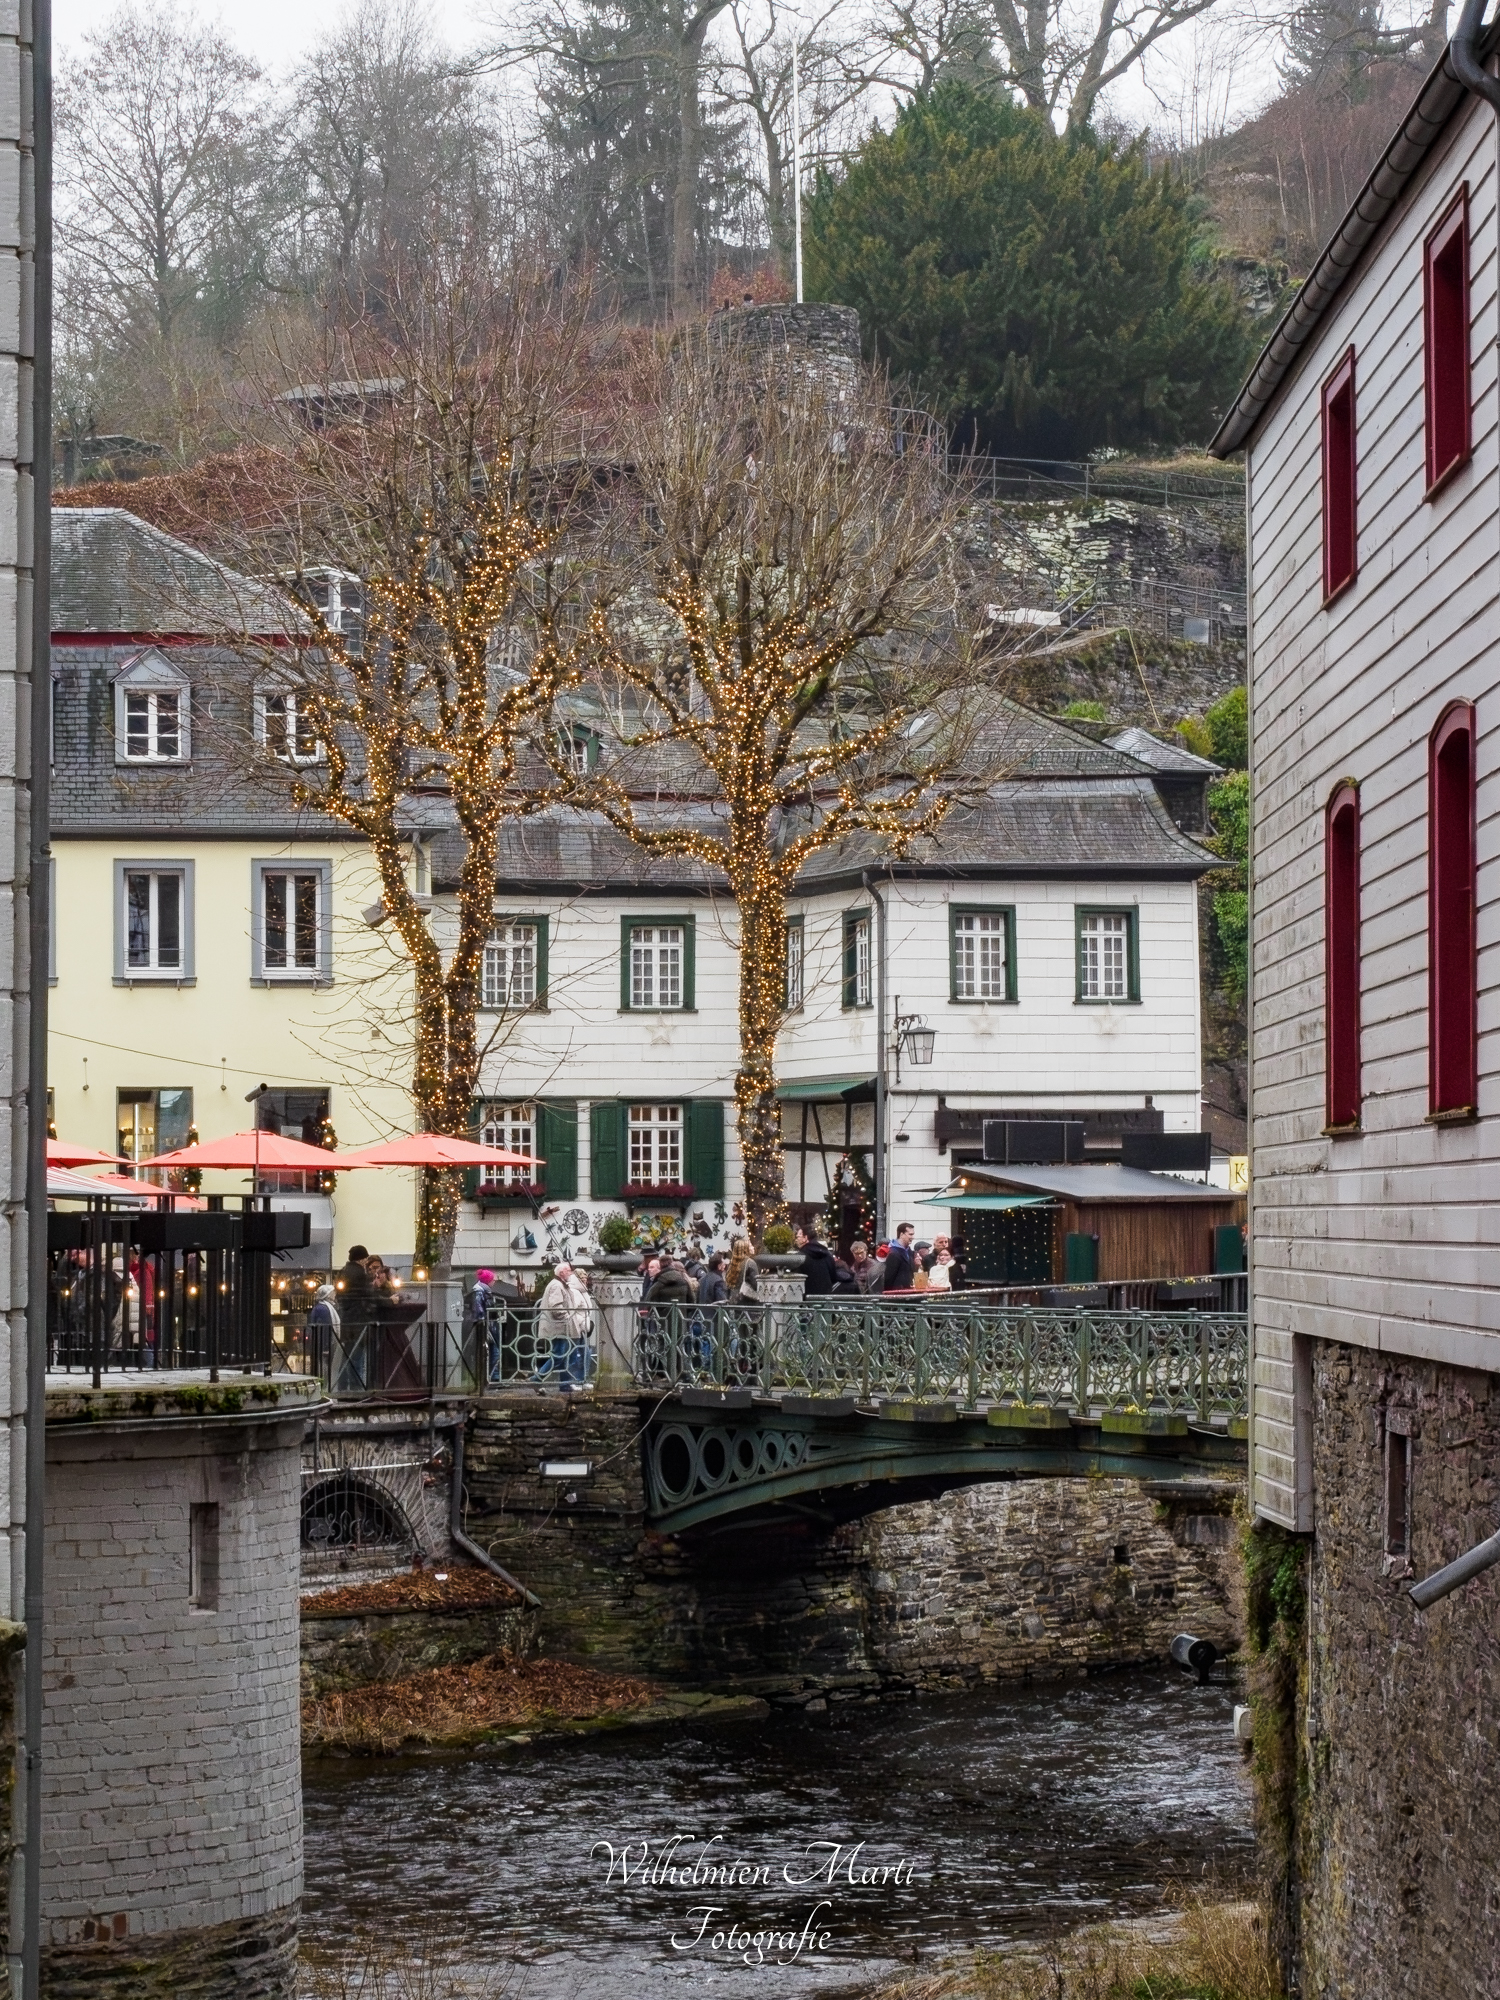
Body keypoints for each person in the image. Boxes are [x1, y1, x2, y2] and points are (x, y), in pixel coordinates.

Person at [537, 1261, 594, 1384]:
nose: (571, 1273)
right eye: (568, 1271)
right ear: (561, 1272)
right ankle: (537, 1378)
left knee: (564, 1356)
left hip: (562, 1327)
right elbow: (556, 1307)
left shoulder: (561, 1285)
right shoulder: (557, 1285)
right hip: (559, 1327)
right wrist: (568, 1318)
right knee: (560, 1356)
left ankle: (565, 1385)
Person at [795, 1224, 840, 1296]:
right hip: (826, 1296)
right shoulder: (826, 1253)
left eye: (798, 1237)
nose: (796, 1239)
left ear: (805, 1238)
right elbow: (833, 1276)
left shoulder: (800, 1257)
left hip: (807, 1297)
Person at [881, 1222, 918, 1292]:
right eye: (910, 1234)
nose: (913, 1237)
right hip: (897, 1293)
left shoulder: (909, 1251)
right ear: (901, 1234)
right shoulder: (893, 1253)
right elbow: (888, 1278)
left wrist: (917, 1265)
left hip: (907, 1292)